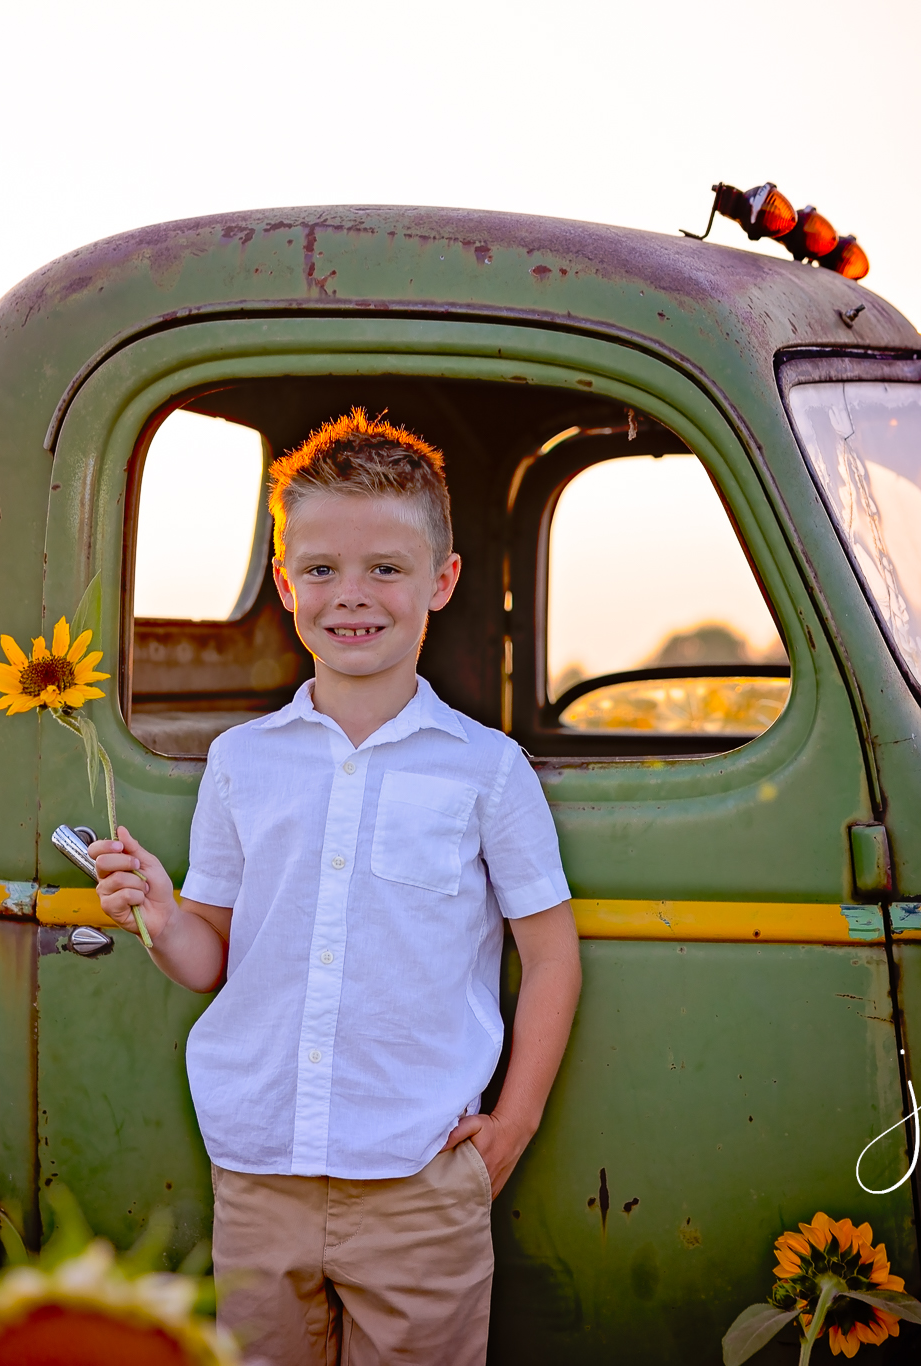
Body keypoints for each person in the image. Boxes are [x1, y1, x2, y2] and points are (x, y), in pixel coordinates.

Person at [90, 407, 582, 1366]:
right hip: (258, 1171)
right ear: (284, 582)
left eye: (385, 569)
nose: (350, 596)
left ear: (441, 582)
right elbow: (208, 958)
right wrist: (156, 908)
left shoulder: (486, 770)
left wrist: (510, 1129)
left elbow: (552, 958)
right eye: (320, 569)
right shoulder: (242, 762)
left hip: (420, 1178)